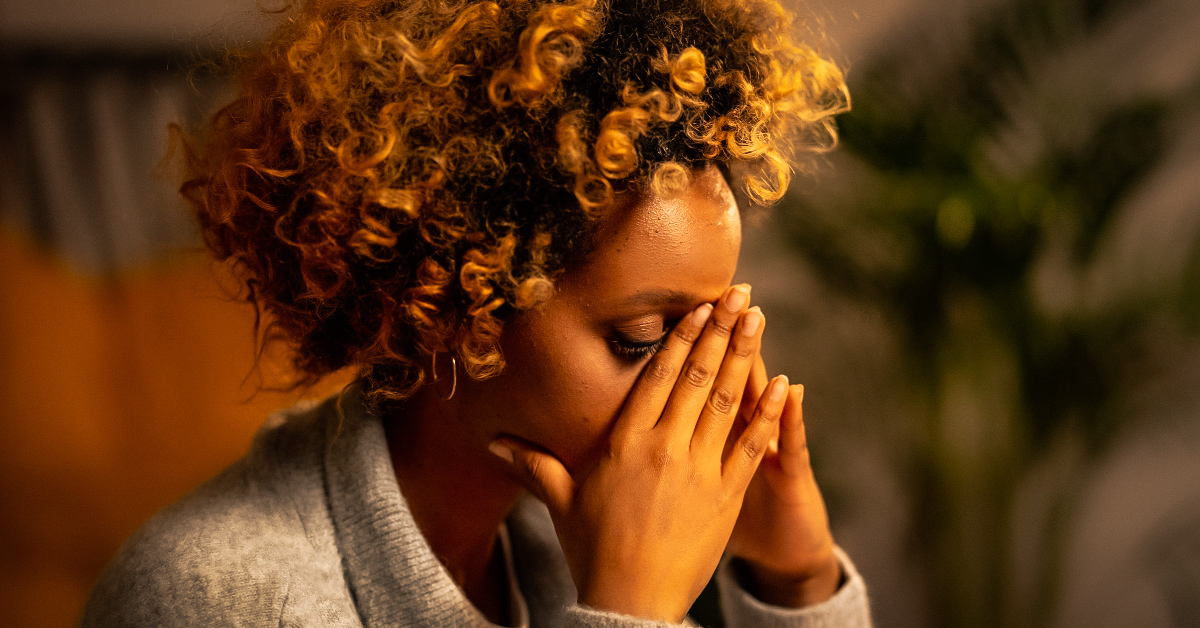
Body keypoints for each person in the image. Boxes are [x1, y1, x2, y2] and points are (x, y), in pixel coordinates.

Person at [82, 0, 869, 625]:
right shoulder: (208, 598)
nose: (699, 386)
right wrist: (630, 614)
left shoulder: (586, 538)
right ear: (458, 304)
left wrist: (794, 579)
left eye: (712, 327)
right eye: (641, 338)